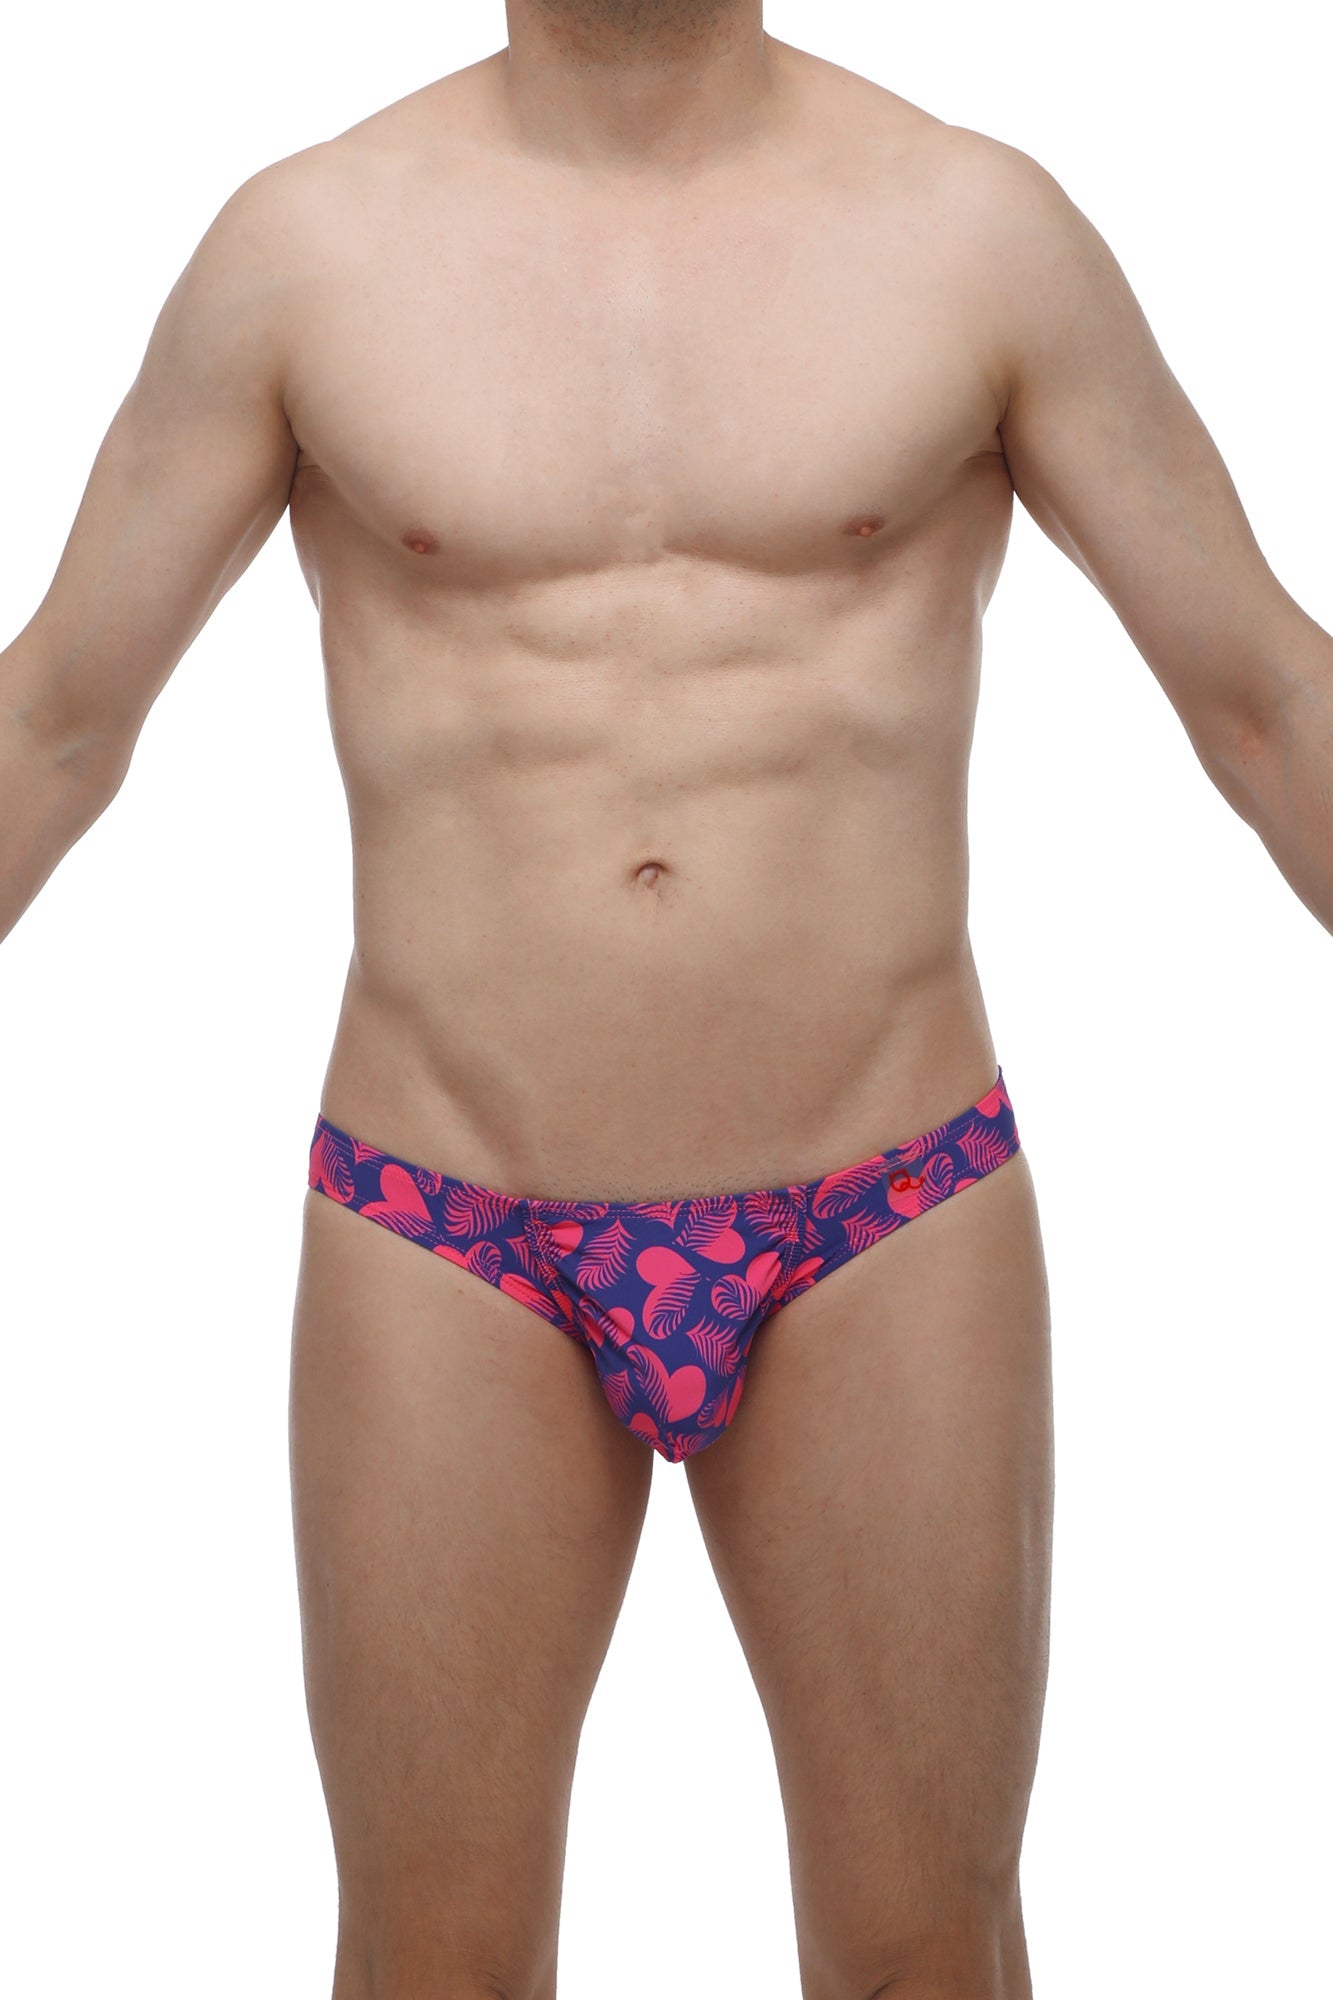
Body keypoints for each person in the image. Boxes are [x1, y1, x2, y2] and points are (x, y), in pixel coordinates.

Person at [2, 1, 1330, 1993]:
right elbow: (52, 723)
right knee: (430, 1966)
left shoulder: (976, 229)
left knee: (927, 1960)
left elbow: (1269, 700)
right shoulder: (308, 247)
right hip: (446, 1217)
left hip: (884, 1203)